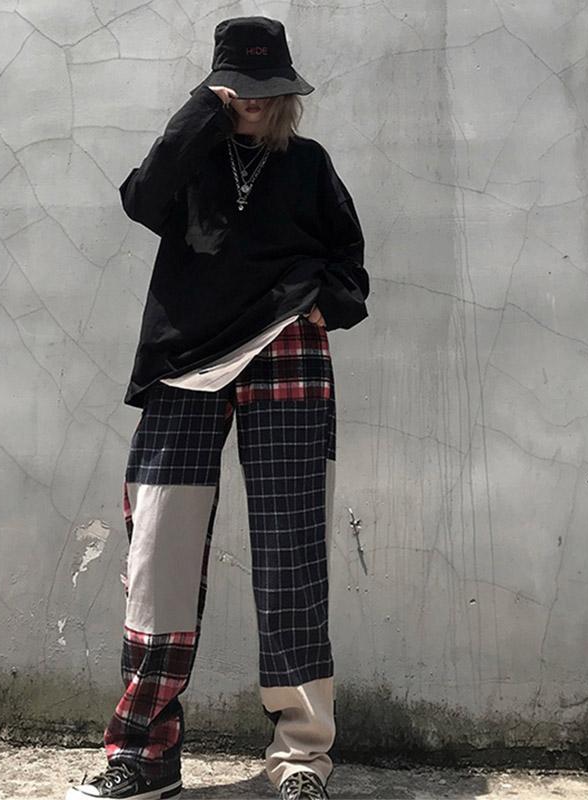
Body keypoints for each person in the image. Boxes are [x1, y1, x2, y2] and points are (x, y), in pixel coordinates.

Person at [65, 15, 369, 800]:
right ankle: (144, 756)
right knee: (157, 556)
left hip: (287, 351)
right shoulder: (192, 156)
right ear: (217, 89)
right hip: (184, 362)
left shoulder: (309, 164)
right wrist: (204, 110)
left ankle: (300, 760)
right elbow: (142, 199)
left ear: (288, 93)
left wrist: (322, 306)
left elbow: (351, 264)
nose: (254, 102)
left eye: (267, 89)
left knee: (291, 553)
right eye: (239, 89)